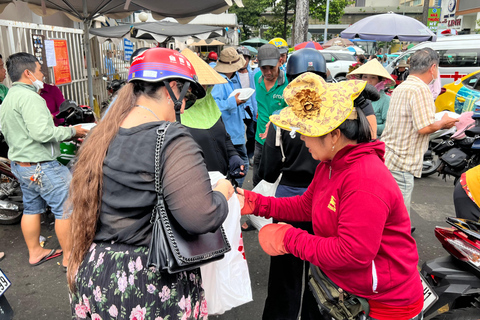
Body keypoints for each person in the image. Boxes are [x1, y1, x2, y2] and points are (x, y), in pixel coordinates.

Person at [238, 72, 425, 320]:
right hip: (341, 288)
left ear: (334, 135)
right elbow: (306, 206)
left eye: (308, 131)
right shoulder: (329, 165)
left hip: (380, 304)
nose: (302, 138)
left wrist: (289, 238)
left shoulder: (364, 180)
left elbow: (352, 253)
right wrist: (256, 203)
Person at [67, 48, 234, 319]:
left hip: (97, 271)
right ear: (172, 88)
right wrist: (221, 194)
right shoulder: (171, 138)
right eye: (186, 96)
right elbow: (200, 217)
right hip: (150, 280)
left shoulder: (102, 133)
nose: (183, 106)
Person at [0, 52, 88, 269]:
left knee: (31, 208)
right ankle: (70, 258)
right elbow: (42, 134)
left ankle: (35, 252)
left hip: (21, 165)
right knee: (66, 208)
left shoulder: (9, 97)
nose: (42, 74)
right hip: (42, 166)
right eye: (39, 70)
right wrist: (72, 131)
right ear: (28, 73)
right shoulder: (31, 98)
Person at [258, 48, 325, 320]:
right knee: (321, 272)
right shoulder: (334, 116)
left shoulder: (281, 119)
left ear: (291, 78)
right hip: (326, 199)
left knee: (285, 271)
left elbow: (269, 171)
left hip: (288, 200)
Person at [381, 48, 458, 232]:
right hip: (403, 161)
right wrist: (443, 123)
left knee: (388, 210)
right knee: (399, 218)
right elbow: (424, 127)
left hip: (389, 156)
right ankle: (397, 252)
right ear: (433, 68)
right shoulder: (421, 89)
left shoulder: (402, 87)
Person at [179, 48, 245, 179]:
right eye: (199, 85)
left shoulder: (209, 102)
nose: (204, 89)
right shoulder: (176, 113)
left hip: (224, 181)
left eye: (205, 85)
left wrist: (233, 155)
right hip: (199, 186)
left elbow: (224, 136)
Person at [212, 47, 249, 187]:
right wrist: (234, 102)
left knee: (236, 164)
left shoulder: (229, 79)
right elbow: (214, 105)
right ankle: (233, 190)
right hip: (230, 134)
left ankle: (232, 188)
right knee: (241, 164)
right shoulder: (220, 82)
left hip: (233, 131)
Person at [253, 44, 288, 187]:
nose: (267, 72)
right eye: (263, 68)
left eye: (271, 68)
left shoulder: (288, 83)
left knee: (273, 180)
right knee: (257, 177)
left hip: (279, 142)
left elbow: (292, 111)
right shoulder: (256, 78)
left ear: (280, 61)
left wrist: (274, 120)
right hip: (259, 139)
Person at [347, 59, 395, 137]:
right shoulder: (355, 97)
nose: (368, 81)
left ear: (380, 80)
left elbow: (388, 126)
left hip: (375, 140)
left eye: (373, 78)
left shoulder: (386, 100)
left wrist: (366, 127)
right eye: (365, 77)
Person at [237, 46, 258, 163]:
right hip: (236, 107)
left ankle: (249, 154)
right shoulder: (232, 75)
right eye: (240, 58)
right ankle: (238, 155)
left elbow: (255, 94)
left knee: (251, 133)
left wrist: (256, 110)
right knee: (237, 132)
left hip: (249, 107)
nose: (243, 60)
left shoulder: (253, 74)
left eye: (245, 58)